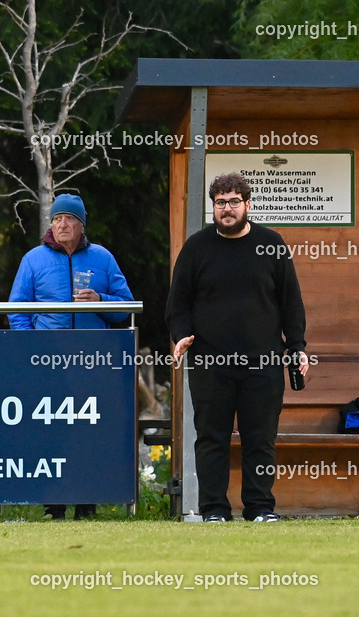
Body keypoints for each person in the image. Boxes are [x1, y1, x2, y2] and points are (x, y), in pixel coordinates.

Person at [165, 173, 308, 522]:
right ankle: (214, 509)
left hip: (264, 362)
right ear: (213, 207)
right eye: (220, 203)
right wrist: (181, 334)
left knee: (260, 438)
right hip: (210, 362)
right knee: (211, 438)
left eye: (233, 202)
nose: (226, 209)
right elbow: (177, 304)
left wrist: (297, 347)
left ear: (247, 204)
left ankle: (260, 507)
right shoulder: (196, 248)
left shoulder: (271, 244)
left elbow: (291, 304)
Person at [8, 193, 134, 520]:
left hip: (93, 361)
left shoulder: (102, 258)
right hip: (48, 361)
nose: (62, 224)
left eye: (69, 219)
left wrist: (101, 299)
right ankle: (54, 506)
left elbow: (125, 308)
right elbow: (16, 309)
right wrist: (31, 345)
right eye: (57, 219)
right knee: (52, 429)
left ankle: (87, 504)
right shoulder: (33, 259)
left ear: (82, 225)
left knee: (90, 430)